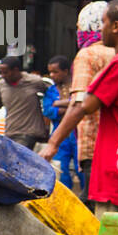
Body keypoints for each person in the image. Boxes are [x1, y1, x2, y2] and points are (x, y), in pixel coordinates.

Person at [42, 0, 118, 216]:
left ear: (117, 26)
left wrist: (51, 145)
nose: (101, 29)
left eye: (105, 22)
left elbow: (82, 104)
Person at [66, 0, 116, 207]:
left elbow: (79, 102)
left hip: (93, 140)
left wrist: (53, 143)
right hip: (116, 144)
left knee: (90, 201)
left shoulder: (88, 55)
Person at [0, 55, 52, 150]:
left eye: (5, 72)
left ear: (16, 70)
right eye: (1, 72)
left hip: (29, 133)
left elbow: (51, 94)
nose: (3, 75)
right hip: (11, 132)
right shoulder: (2, 85)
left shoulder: (33, 81)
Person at [43, 55, 81, 191]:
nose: (52, 75)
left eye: (55, 72)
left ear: (66, 71)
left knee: (81, 167)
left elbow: (83, 105)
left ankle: (86, 202)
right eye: (50, 72)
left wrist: (58, 104)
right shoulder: (51, 90)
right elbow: (48, 110)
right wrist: (72, 108)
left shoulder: (78, 87)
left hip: (78, 133)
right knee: (59, 168)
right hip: (59, 134)